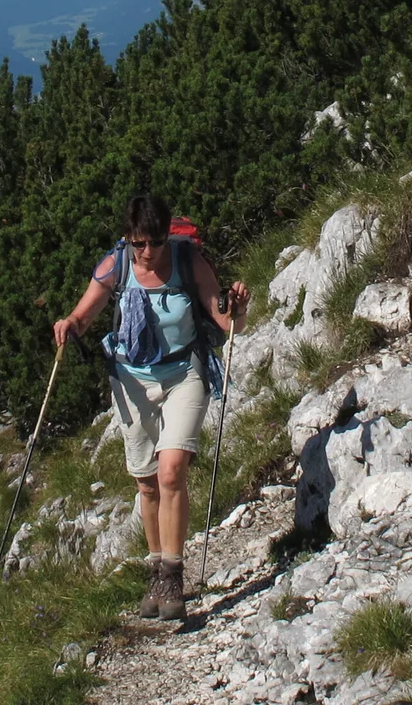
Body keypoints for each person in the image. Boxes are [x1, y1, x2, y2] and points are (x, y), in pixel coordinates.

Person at [53, 195, 248, 621]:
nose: (147, 252)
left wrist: (237, 308)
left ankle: (174, 577)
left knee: (171, 469)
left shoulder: (188, 261)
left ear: (166, 236)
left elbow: (225, 320)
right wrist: (69, 324)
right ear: (128, 238)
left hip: (184, 374)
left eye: (155, 242)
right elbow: (86, 314)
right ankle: (157, 568)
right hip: (132, 382)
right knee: (146, 484)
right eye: (139, 243)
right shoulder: (115, 265)